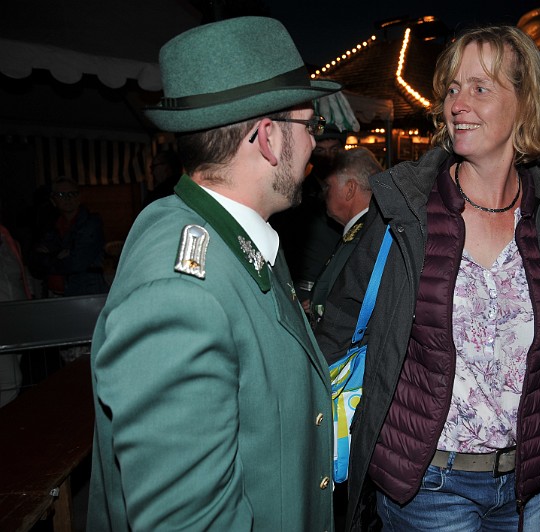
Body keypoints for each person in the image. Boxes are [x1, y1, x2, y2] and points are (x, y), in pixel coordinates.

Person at [316, 25, 540, 531]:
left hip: (529, 483)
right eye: (452, 88)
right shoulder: (405, 210)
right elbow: (340, 321)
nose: (457, 104)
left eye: (480, 88)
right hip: (428, 484)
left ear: (525, 104)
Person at [87, 16, 341, 530]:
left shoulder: (225, 235)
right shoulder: (181, 294)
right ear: (268, 138)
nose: (315, 144)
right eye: (309, 126)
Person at [271, 124, 346, 302]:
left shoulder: (350, 188)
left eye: (334, 149)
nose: (328, 156)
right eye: (320, 150)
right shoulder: (296, 194)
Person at [308, 147, 381, 324]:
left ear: (350, 189)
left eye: (328, 186)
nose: (324, 194)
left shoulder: (360, 240)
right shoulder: (370, 229)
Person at [31, 176, 108, 297]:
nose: (68, 198)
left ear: (79, 197)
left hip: (85, 295)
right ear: (53, 200)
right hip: (53, 296)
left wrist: (49, 258)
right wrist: (57, 256)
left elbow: (77, 262)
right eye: (61, 194)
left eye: (72, 193)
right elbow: (35, 263)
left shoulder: (91, 223)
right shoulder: (50, 227)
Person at [0, 222, 35, 407]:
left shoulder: (8, 240)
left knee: (11, 376)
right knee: (11, 380)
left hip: (16, 318)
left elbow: (22, 275)